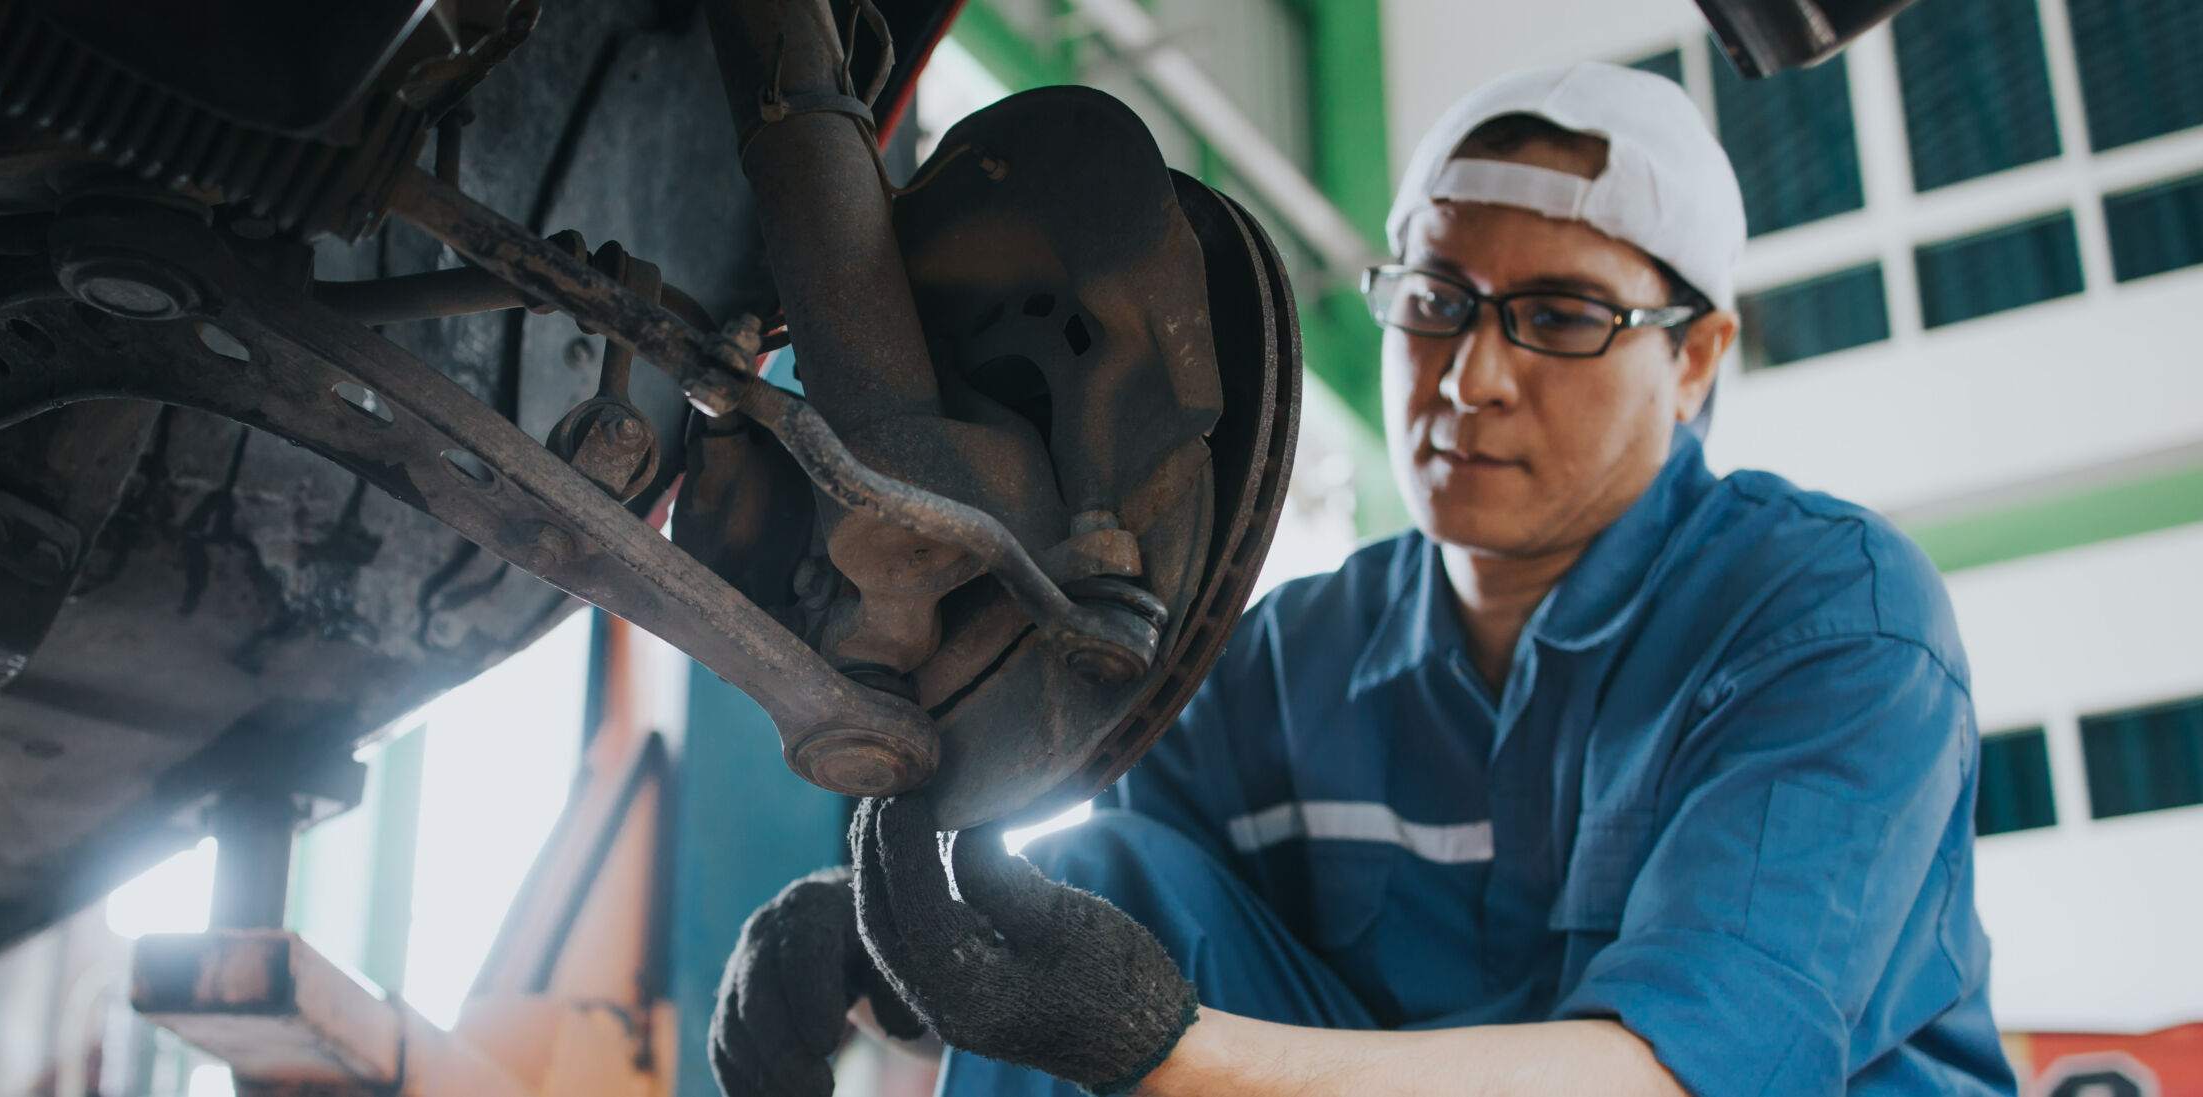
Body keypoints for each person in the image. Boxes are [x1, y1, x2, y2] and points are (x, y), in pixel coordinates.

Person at [710, 63, 2016, 1097]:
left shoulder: (1828, 621)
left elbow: (1665, 1077)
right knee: (1104, 873)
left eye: (1562, 315)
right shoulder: (1296, 661)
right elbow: (1079, 955)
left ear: (1696, 358)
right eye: (1437, 299)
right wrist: (894, 956)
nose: (1471, 376)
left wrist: (1157, 1044)